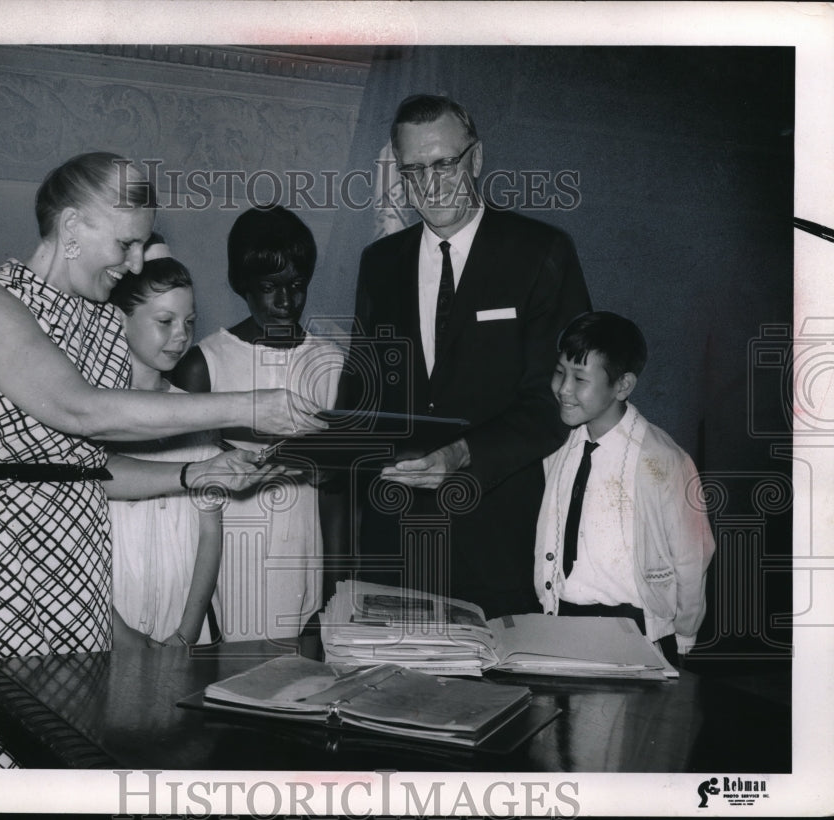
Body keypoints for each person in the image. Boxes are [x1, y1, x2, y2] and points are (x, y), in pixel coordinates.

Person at [0, 153, 325, 767]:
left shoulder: (105, 326)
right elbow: (80, 410)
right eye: (127, 243)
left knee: (79, 742)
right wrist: (247, 404)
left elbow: (83, 467)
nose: (135, 263)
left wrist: (192, 475)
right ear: (72, 226)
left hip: (80, 555)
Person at [336, 94, 591, 616]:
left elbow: (558, 402)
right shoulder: (380, 263)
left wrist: (460, 454)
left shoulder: (540, 252)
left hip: (498, 544)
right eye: (413, 171)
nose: (429, 186)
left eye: (443, 164)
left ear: (475, 159)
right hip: (394, 550)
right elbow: (360, 398)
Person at [172, 205, 344, 641]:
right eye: (270, 288)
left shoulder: (331, 363)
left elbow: (338, 491)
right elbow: (186, 489)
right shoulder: (204, 364)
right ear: (241, 284)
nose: (286, 302)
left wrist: (335, 587)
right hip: (230, 549)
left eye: (297, 286)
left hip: (305, 548)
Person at [534, 311, 716, 657]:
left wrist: (685, 636)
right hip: (563, 620)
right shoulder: (558, 448)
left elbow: (693, 558)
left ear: (622, 385)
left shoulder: (662, 460)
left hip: (636, 630)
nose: (564, 390)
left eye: (580, 378)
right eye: (560, 373)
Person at [107, 237, 222, 649]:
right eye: (164, 321)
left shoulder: (196, 415)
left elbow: (210, 534)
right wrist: (121, 635)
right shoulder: (93, 415)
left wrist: (187, 633)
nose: (180, 336)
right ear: (120, 319)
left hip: (183, 621)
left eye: (189, 322)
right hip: (109, 624)